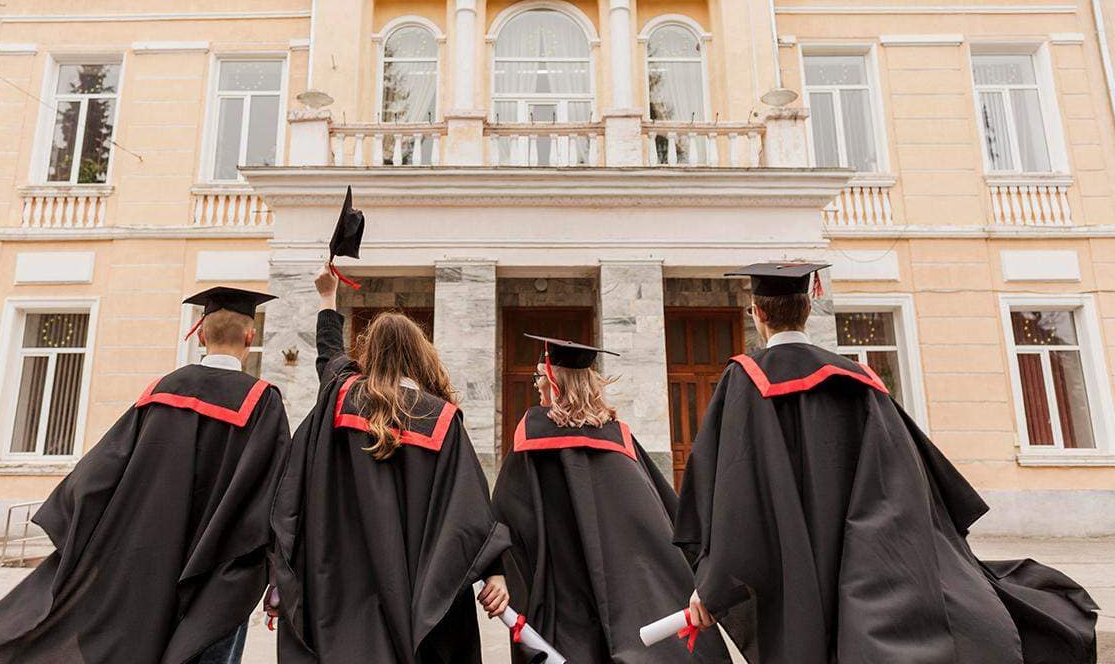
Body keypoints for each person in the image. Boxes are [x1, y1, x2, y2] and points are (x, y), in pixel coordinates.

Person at [675, 262, 1099, 664]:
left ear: (757, 313)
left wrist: (713, 586)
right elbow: (904, 473)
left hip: (793, 555)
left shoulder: (744, 380)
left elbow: (733, 487)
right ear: (808, 307)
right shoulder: (858, 380)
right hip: (861, 557)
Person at [0, 287, 291, 664]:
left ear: (201, 335)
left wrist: (77, 532)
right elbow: (275, 493)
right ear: (252, 337)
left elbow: (100, 473)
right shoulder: (263, 402)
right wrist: (276, 569)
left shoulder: (160, 393)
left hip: (148, 559)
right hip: (217, 566)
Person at [268, 262, 511, 663]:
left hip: (341, 590)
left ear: (370, 355)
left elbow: (329, 356)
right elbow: (468, 511)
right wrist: (493, 570)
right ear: (421, 355)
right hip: (413, 593)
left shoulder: (339, 399)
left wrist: (328, 299)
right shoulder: (441, 419)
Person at [492, 334, 732, 664]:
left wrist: (497, 570)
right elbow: (660, 513)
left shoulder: (531, 437)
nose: (536, 385)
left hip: (560, 593)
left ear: (555, 383)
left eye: (539, 377)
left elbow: (507, 513)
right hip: (624, 591)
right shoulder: (617, 436)